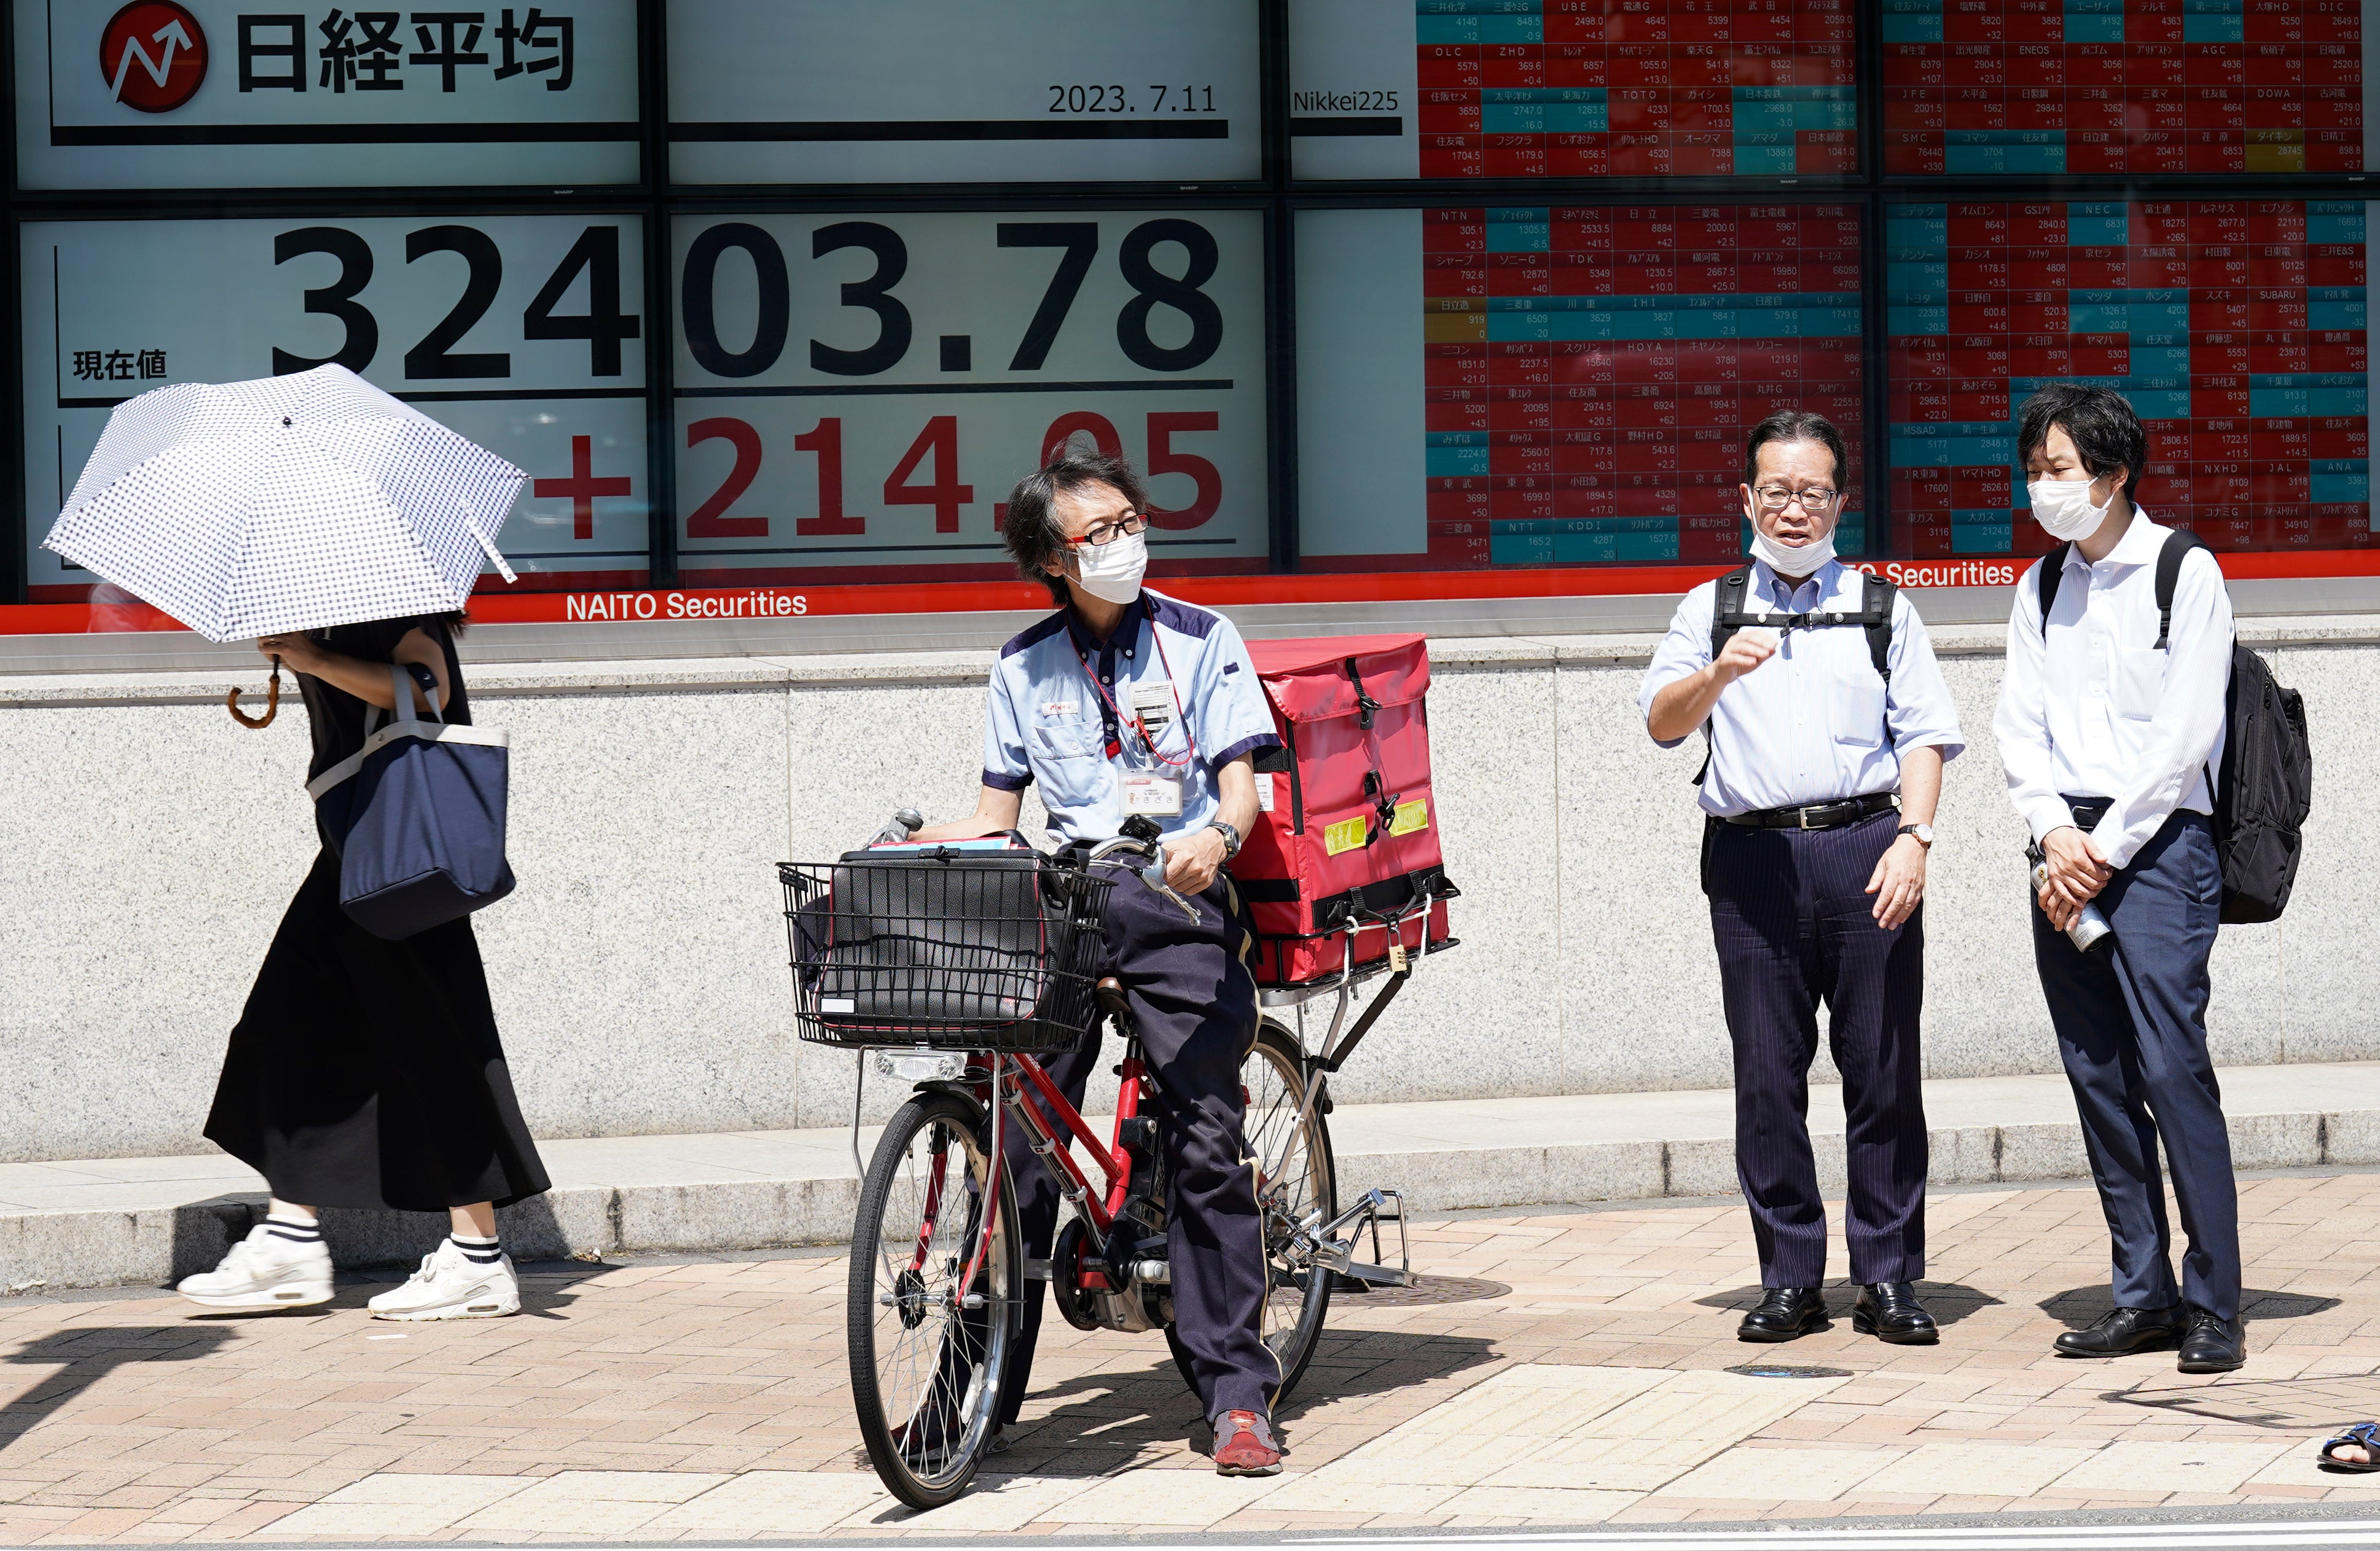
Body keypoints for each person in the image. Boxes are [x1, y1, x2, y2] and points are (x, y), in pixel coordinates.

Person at [909, 450, 1286, 1475]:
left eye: (1128, 520)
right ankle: (970, 1390)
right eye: (1097, 532)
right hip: (1070, 905)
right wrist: (901, 845)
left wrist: (1217, 840)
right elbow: (997, 818)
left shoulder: (1202, 638)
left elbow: (1240, 790)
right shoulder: (1022, 663)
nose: (1123, 542)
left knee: (1207, 1138)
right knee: (1013, 1143)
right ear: (1050, 559)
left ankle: (1238, 1393)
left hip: (1176, 898)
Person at [1639, 410, 1965, 1345]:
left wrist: (1915, 838)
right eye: (1774, 492)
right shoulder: (1707, 609)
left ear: (1839, 501)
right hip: (1750, 860)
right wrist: (1716, 675)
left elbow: (1926, 734)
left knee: (1882, 1071)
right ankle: (1788, 1277)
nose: (1792, 510)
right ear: (1745, 498)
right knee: (1767, 1077)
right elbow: (1662, 724)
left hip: (1867, 850)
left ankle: (1889, 1276)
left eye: (1811, 492)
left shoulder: (1880, 606)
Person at [175, 613, 550, 1321]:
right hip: (359, 850)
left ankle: (477, 1257)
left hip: (408, 853)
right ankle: (291, 1236)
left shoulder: (395, 609)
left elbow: (422, 684)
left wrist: (314, 659)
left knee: (436, 1044)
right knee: (293, 1026)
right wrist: (304, 656)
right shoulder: (322, 615)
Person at [1993, 382, 2244, 1373]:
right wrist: (2055, 834)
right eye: (2035, 471)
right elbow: (2020, 726)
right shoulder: (2039, 587)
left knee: (2170, 1068)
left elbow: (2185, 734)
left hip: (2157, 850)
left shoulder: (2184, 572)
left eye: (2058, 470)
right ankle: (2140, 1294)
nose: (2042, 488)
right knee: (2096, 1075)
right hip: (2063, 852)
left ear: (2111, 473)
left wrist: (2105, 848)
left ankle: (2212, 1299)